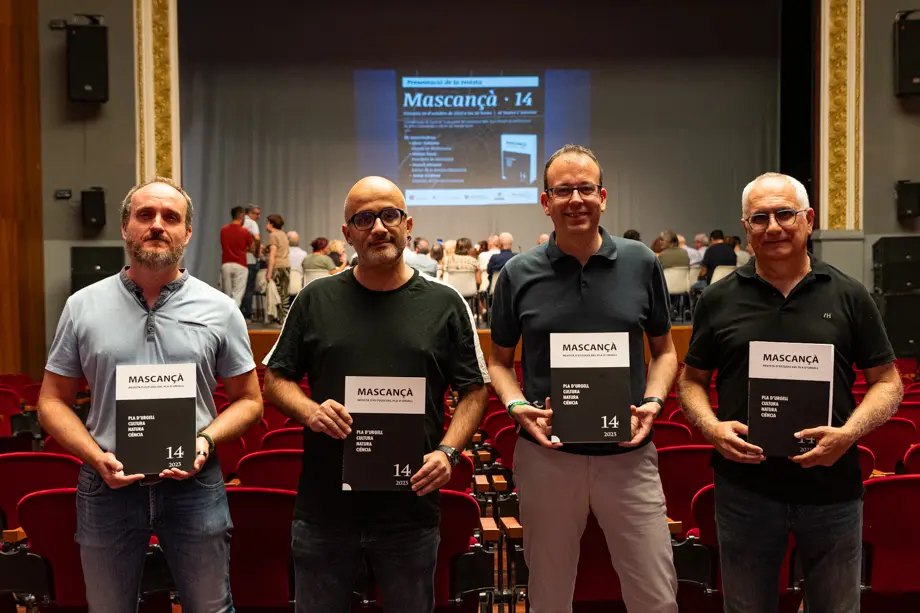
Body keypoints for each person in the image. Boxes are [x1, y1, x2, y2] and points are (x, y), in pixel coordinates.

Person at [677, 172, 903, 613]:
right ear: (746, 227)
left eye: (785, 214)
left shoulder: (850, 295)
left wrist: (849, 433)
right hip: (745, 491)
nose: (774, 226)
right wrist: (712, 427)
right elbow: (691, 381)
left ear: (809, 219)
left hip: (832, 489)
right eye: (760, 218)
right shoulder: (717, 300)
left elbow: (887, 382)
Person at [262, 176, 489, 613]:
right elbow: (275, 380)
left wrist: (448, 452)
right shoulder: (315, 299)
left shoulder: (445, 303)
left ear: (407, 223)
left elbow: (474, 390)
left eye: (389, 215)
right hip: (325, 513)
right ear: (347, 234)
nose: (378, 227)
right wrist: (310, 412)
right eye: (363, 218)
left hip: (410, 513)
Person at [39, 177, 263, 613]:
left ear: (188, 232)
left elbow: (250, 399)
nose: (157, 225)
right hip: (107, 487)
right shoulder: (82, 306)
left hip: (195, 486)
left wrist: (204, 441)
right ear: (126, 227)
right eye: (145, 215)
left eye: (171, 217)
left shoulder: (220, 308)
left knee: (211, 608)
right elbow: (51, 400)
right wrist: (93, 455)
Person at [489, 145, 679, 612]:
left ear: (603, 196)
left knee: (655, 595)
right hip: (547, 458)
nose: (576, 199)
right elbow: (497, 362)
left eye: (586, 188)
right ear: (545, 201)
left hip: (629, 458)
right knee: (549, 596)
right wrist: (515, 406)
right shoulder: (517, 273)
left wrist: (653, 403)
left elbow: (665, 351)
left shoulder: (640, 262)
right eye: (563, 190)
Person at [220, 206, 253, 307]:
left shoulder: (223, 230)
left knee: (226, 296)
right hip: (240, 264)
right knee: (237, 295)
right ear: (242, 216)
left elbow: (224, 245)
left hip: (226, 264)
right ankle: (234, 319)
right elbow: (252, 248)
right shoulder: (245, 232)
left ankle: (226, 319)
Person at [265, 214, 292, 323]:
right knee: (284, 294)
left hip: (278, 267)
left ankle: (279, 319)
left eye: (267, 222)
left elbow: (273, 255)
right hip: (286, 266)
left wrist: (269, 272)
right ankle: (285, 319)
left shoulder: (273, 235)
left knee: (277, 293)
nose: (266, 225)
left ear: (272, 223)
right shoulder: (283, 235)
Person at [241, 205, 262, 321]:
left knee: (239, 288)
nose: (258, 216)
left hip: (241, 259)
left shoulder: (240, 223)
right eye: (256, 214)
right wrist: (257, 252)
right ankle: (247, 315)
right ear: (249, 213)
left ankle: (240, 313)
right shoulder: (252, 224)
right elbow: (257, 239)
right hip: (251, 260)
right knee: (249, 288)